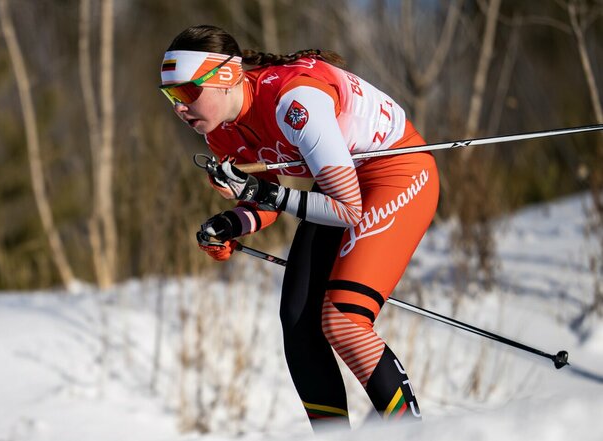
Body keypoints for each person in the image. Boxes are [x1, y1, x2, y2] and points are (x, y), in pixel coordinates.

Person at [159, 24, 439, 430]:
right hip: (341, 187)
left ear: (223, 79)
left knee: (343, 319)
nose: (179, 108)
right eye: (171, 96)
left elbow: (346, 210)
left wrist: (264, 194)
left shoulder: (293, 102)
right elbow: (264, 201)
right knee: (298, 323)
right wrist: (228, 224)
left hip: (397, 172)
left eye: (186, 93)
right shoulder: (221, 131)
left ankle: (412, 435)